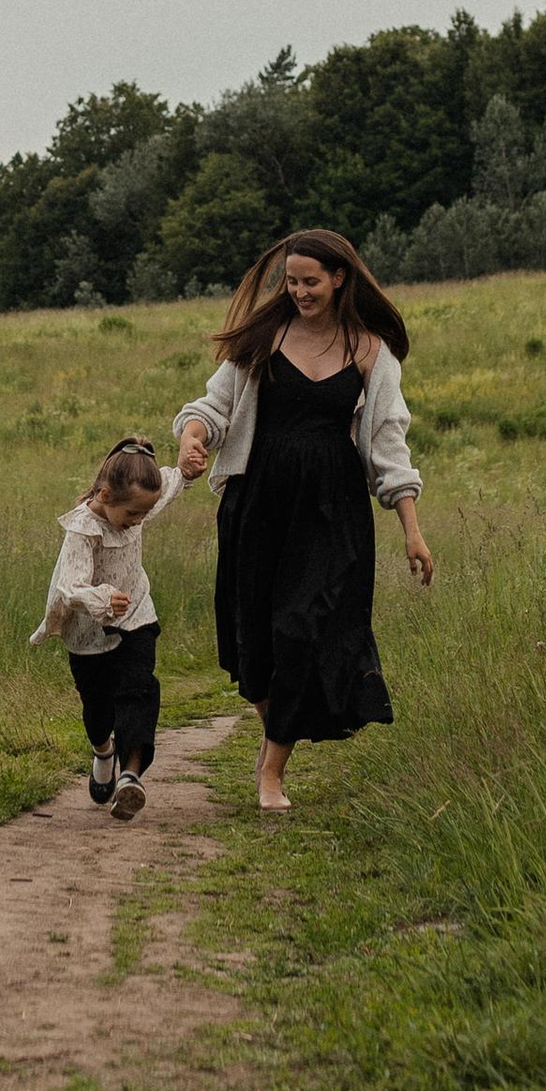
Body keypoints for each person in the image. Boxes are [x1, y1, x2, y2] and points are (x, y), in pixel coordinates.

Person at [175, 230, 432, 813]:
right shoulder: (264, 339)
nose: (299, 292)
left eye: (310, 282)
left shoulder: (370, 352)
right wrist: (193, 439)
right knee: (252, 646)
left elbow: (389, 447)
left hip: (331, 511)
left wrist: (411, 530)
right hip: (257, 504)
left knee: (300, 630)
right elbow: (212, 408)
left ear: (339, 278)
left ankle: (272, 770)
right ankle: (275, 725)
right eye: (291, 282)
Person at [29, 434, 191, 823]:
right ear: (104, 494)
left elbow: (166, 487)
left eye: (142, 514)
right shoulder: (83, 529)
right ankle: (104, 751)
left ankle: (131, 776)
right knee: (98, 707)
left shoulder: (136, 504)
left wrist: (187, 468)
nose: (138, 521)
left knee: (139, 688)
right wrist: (102, 598)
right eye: (132, 515)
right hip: (88, 632)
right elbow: (70, 585)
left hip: (136, 615)